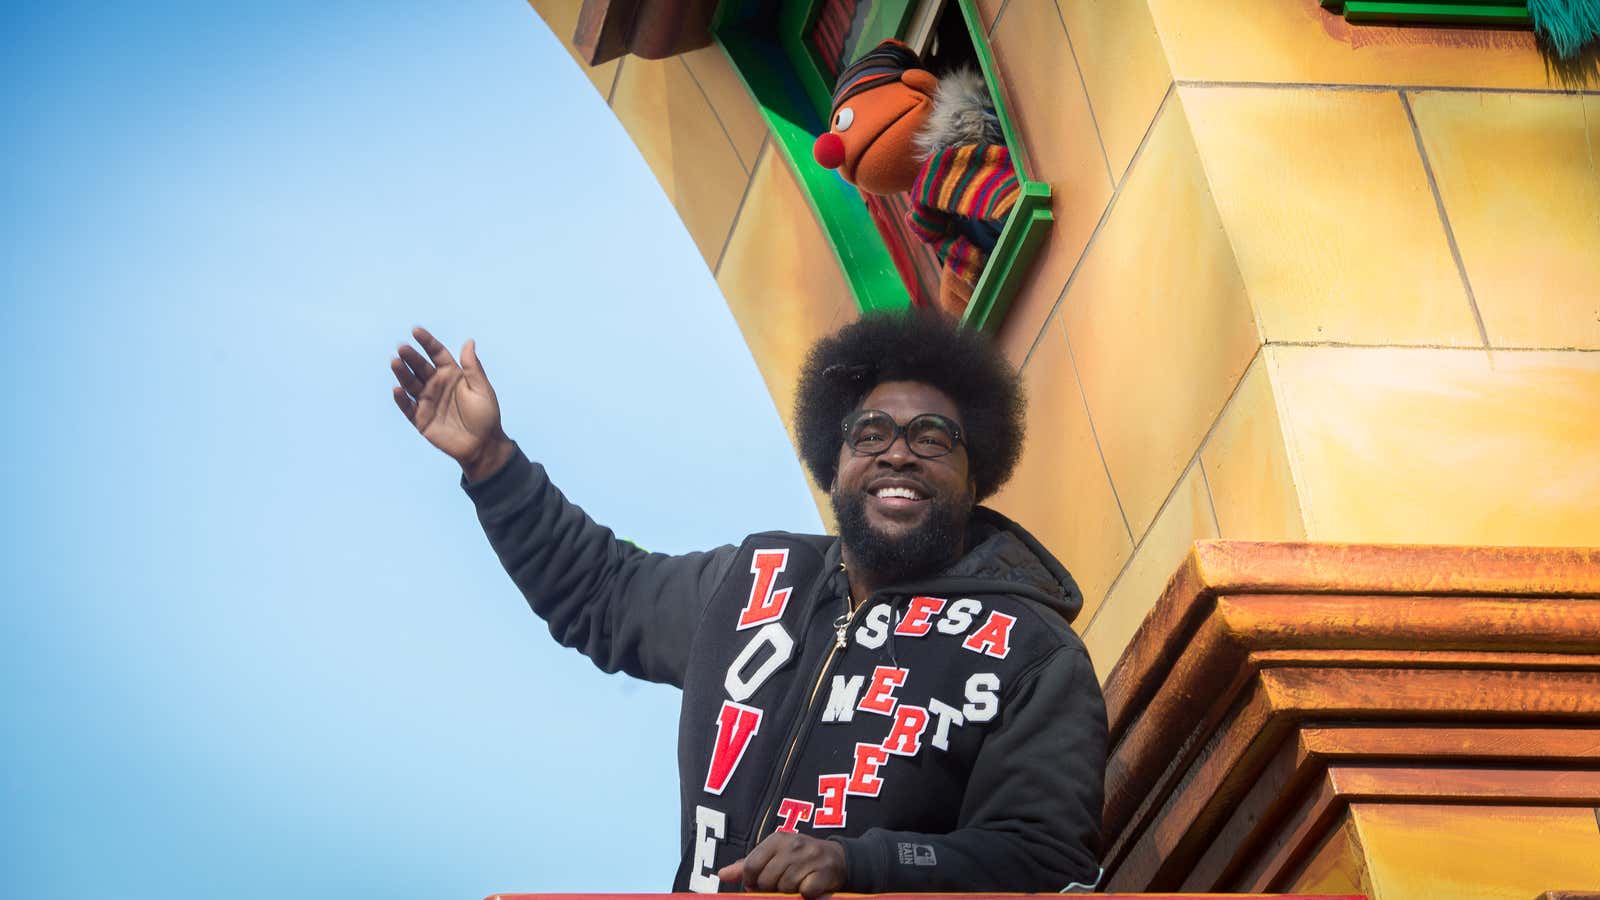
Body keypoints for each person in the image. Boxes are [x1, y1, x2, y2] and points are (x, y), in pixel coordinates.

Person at [389, 313, 1106, 896]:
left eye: (932, 439)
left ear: (974, 473)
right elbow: (601, 592)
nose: (898, 454)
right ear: (835, 463)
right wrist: (490, 464)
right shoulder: (757, 582)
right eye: (871, 434)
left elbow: (1044, 861)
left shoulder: (1031, 651)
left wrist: (860, 866)